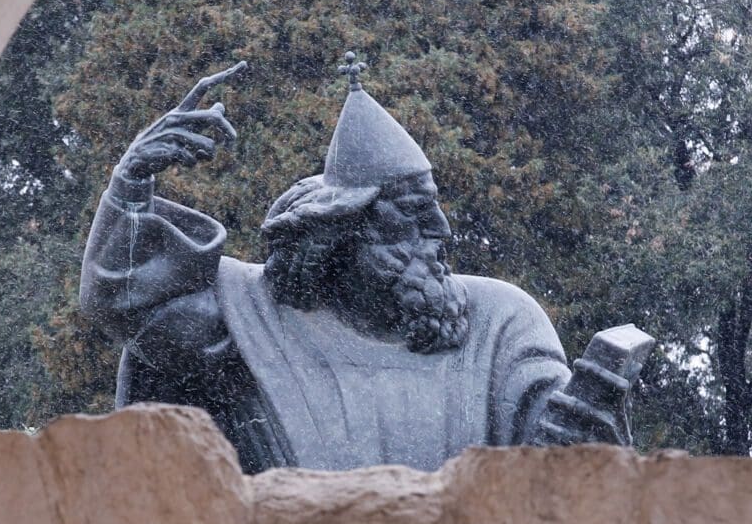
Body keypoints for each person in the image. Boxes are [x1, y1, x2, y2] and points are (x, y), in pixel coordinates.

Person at [80, 56, 640, 473]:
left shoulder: (499, 323)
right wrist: (129, 186)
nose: (441, 232)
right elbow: (121, 299)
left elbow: (559, 467)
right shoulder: (250, 316)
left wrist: (590, 433)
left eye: (435, 210)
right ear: (341, 232)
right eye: (412, 214)